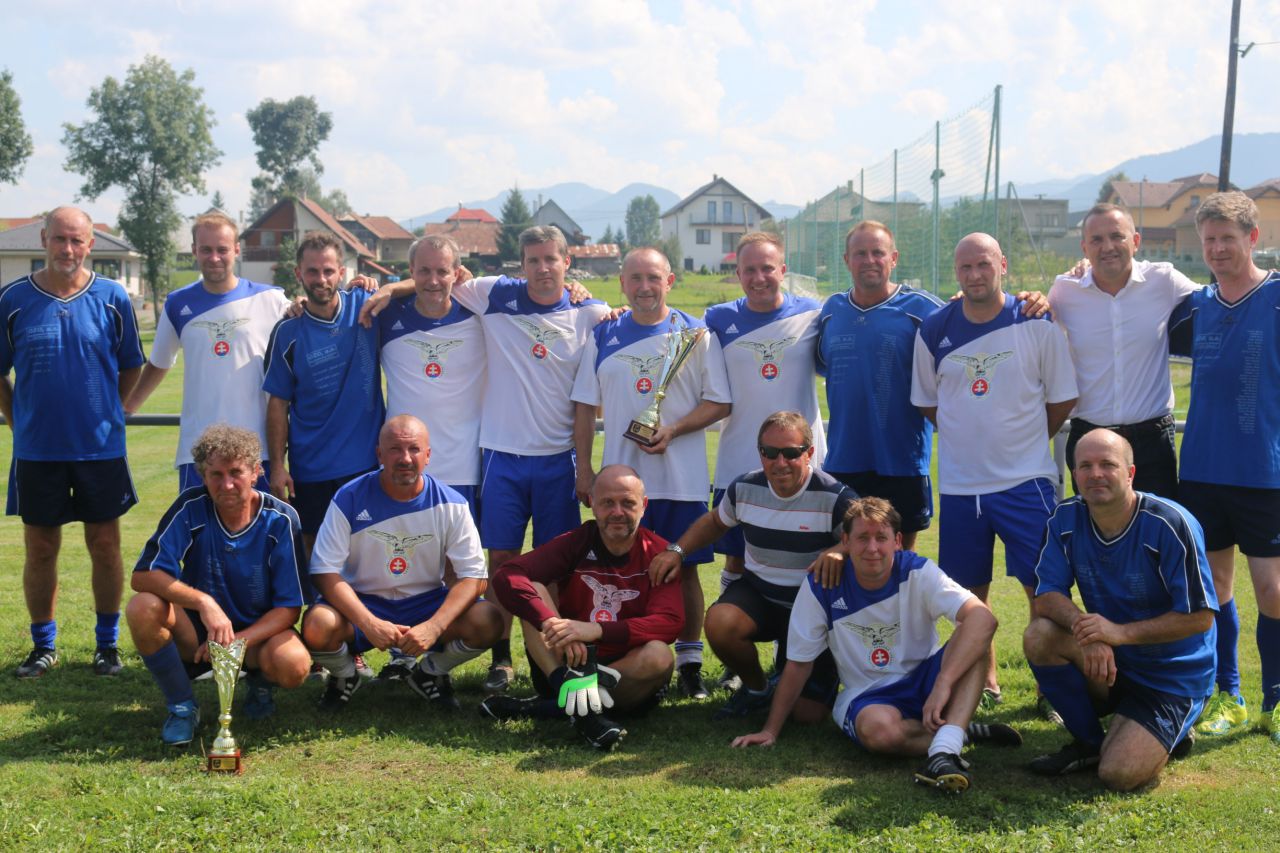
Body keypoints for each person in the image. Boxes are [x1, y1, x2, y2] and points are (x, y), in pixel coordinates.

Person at [731, 497, 1020, 794]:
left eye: (881, 538)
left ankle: (944, 752)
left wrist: (943, 682)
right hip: (868, 695)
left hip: (927, 679)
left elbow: (983, 619)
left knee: (976, 638)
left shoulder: (917, 570)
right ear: (845, 541)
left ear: (897, 541)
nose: (872, 548)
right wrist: (770, 730)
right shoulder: (822, 585)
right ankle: (958, 732)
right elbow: (799, 664)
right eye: (862, 538)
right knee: (880, 733)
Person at [910, 232, 1077, 706]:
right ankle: (986, 683)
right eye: (966, 267)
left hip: (1025, 482)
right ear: (956, 272)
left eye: (984, 264)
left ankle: (1052, 688)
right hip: (961, 488)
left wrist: (1024, 440)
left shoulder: (1036, 320)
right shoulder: (934, 329)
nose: (975, 275)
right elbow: (928, 402)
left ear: (1002, 265)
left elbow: (1062, 397)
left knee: (1043, 590)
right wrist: (968, 435)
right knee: (968, 595)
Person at [572, 246, 732, 699]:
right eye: (636, 279)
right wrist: (584, 469)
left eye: (653, 278)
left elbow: (719, 402)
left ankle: (690, 663)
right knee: (626, 576)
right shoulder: (603, 335)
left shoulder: (696, 333)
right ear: (622, 283)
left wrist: (674, 429)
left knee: (685, 570)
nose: (645, 288)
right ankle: (638, 660)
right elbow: (584, 407)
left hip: (680, 480)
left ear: (669, 281)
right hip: (621, 488)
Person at [1024, 429, 1216, 788]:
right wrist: (1089, 631)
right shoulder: (1065, 518)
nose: (1095, 474)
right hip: (1113, 660)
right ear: (1075, 474)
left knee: (1119, 774)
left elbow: (1201, 618)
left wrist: (1119, 634)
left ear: (1130, 473)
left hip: (1172, 676)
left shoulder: (1170, 523)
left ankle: (1168, 727)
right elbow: (1046, 594)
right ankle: (1088, 743)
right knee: (1040, 635)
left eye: (1107, 464)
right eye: (1085, 466)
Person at [1, 206, 145, 679]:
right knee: (41, 547)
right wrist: (17, 421)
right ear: (43, 238)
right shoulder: (13, 299)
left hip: (100, 449)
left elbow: (131, 365)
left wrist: (111, 411)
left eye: (77, 240)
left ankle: (107, 646)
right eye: (60, 238)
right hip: (38, 451)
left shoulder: (112, 297)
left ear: (90, 244)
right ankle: (44, 646)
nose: (68, 249)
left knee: (104, 544)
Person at [647, 411, 853, 720]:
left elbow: (868, 537)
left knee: (807, 715)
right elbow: (715, 522)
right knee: (720, 622)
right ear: (760, 453)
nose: (780, 462)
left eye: (791, 453)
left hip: (813, 607)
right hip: (761, 595)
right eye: (769, 452)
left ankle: (788, 679)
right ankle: (758, 689)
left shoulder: (835, 496)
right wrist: (677, 550)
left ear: (809, 453)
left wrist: (840, 549)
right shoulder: (745, 487)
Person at [1169, 191, 1280, 743]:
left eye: (1227, 239)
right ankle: (1227, 694)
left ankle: (1275, 700)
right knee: (1214, 588)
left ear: (1252, 238)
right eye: (1209, 240)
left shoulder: (1276, 297)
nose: (1217, 249)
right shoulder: (1194, 306)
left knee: (1273, 589)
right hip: (1203, 470)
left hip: (1264, 471)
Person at [301, 415, 502, 712]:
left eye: (414, 449)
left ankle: (430, 672)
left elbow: (474, 577)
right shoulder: (349, 497)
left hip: (425, 603)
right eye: (395, 449)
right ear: (379, 454)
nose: (405, 458)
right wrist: (368, 623)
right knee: (318, 625)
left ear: (428, 455)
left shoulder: (452, 503)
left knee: (488, 620)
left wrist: (434, 626)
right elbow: (324, 570)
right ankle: (344, 676)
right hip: (364, 601)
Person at [126, 425, 310, 746]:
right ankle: (182, 706)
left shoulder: (280, 519)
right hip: (199, 635)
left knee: (293, 664)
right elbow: (143, 576)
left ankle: (260, 684)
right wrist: (205, 603)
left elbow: (289, 609)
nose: (226, 484)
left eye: (236, 472)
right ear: (202, 475)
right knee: (143, 607)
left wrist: (236, 642)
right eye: (216, 474)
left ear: (256, 472)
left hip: (256, 636)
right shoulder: (190, 506)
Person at [486, 465, 683, 749]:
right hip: (568, 660)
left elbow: (669, 622)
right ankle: (573, 698)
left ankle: (549, 707)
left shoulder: (659, 554)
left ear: (644, 505)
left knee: (659, 655)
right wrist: (553, 625)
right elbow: (508, 575)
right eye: (607, 502)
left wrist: (595, 630)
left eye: (628, 503)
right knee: (534, 591)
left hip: (625, 673)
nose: (617, 512)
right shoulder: (577, 542)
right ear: (591, 503)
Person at [704, 233, 825, 673]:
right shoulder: (717, 319)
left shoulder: (814, 313)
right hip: (740, 461)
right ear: (737, 273)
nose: (759, 277)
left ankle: (793, 653)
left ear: (783, 270)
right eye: (750, 270)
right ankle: (737, 665)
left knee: (806, 560)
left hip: (802, 465)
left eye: (767, 268)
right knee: (737, 559)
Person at [124, 212, 290, 491]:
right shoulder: (177, 304)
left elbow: (311, 319)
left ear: (236, 250)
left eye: (222, 249)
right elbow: (159, 363)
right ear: (194, 251)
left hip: (257, 451)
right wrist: (126, 409)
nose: (214, 258)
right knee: (196, 521)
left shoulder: (270, 299)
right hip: (198, 453)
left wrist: (360, 287)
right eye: (206, 250)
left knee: (260, 521)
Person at [1049, 203, 1199, 498]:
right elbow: (1029, 320)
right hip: (1089, 439)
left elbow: (1220, 300)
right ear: (1084, 248)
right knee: (1093, 526)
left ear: (1136, 241)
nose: (1107, 247)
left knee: (1157, 525)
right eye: (1096, 239)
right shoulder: (1065, 290)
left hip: (1152, 441)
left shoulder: (1164, 280)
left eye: (1117, 236)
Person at [817, 221, 945, 552]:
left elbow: (971, 322)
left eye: (878, 252)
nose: (869, 260)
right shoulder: (831, 311)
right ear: (847, 260)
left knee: (900, 559)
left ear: (894, 258)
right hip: (844, 459)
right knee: (845, 555)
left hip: (902, 460)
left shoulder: (924, 310)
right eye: (860, 253)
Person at [263, 231, 385, 559]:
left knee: (367, 552)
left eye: (329, 271)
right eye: (313, 271)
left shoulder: (367, 306)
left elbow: (423, 284)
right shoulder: (287, 331)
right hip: (310, 465)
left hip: (365, 462)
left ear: (341, 272)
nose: (321, 279)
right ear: (299, 274)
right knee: (314, 551)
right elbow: (277, 403)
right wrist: (277, 466)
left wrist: (387, 287)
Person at [377, 234, 485, 521]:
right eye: (424, 271)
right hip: (404, 468)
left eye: (442, 271)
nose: (433, 280)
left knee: (462, 551)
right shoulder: (386, 315)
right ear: (411, 271)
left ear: (456, 273)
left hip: (464, 469)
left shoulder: (479, 315)